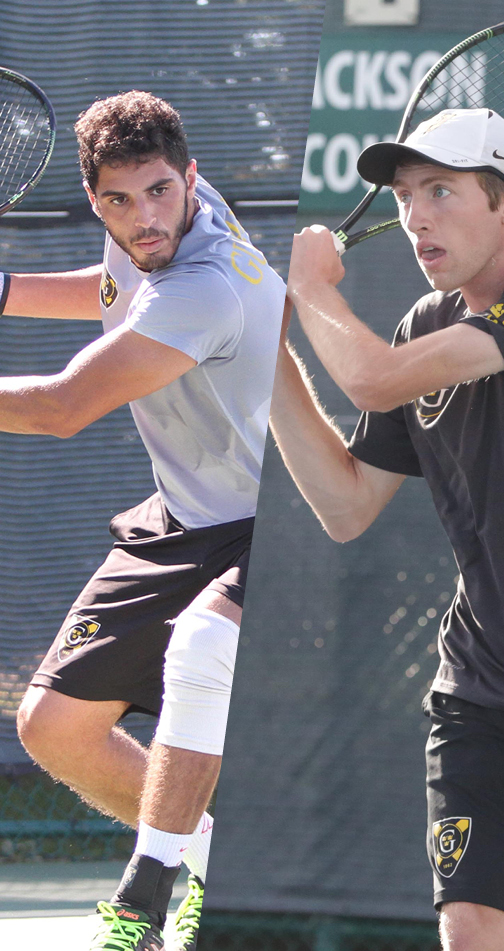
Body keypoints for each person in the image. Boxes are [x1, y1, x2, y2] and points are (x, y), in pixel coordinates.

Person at [270, 107, 504, 951]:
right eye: (405, 196)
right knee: (471, 926)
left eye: (440, 190)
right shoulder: (423, 323)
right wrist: (271, 359)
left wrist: (309, 287)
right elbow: (346, 503)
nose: (416, 216)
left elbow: (370, 381)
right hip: (483, 691)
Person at [0, 91, 281, 950]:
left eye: (159, 192)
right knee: (54, 728)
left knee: (201, 651)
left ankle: (150, 891)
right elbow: (114, 288)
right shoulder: (149, 234)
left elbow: (60, 407)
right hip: (183, 515)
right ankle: (215, 851)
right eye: (119, 200)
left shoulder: (203, 288)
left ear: (190, 178)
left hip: (269, 525)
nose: (144, 216)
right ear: (94, 199)